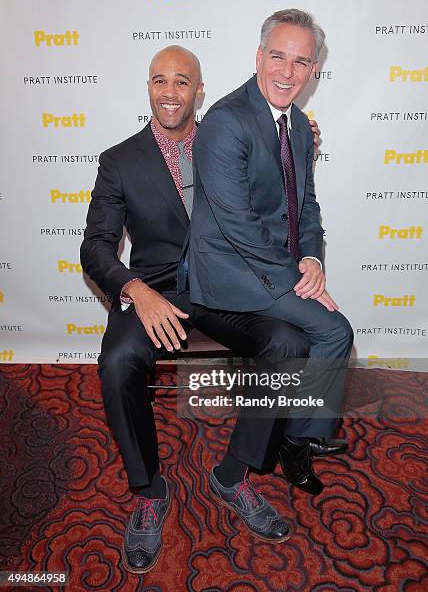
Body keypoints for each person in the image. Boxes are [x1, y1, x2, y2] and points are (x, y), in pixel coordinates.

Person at [81, 44, 331, 574]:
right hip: (157, 291)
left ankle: (234, 474)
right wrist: (135, 290)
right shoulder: (120, 161)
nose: (169, 92)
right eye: (158, 81)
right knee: (118, 361)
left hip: (227, 289)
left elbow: (286, 191)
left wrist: (296, 145)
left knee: (290, 342)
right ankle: (149, 490)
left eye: (181, 82)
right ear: (148, 88)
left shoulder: (233, 137)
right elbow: (96, 247)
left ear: (199, 90)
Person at [187, 9, 354, 509]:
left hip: (273, 267)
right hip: (229, 275)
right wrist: (298, 280)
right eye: (278, 56)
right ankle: (298, 439)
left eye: (301, 62)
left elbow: (306, 204)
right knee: (334, 330)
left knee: (309, 335)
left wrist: (314, 260)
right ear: (259, 57)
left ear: (313, 71)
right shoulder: (225, 122)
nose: (288, 71)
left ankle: (300, 431)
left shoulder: (298, 124)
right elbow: (240, 228)